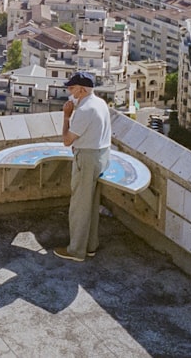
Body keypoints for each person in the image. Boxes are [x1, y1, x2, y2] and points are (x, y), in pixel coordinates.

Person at [54, 71, 112, 262]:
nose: (69, 92)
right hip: (101, 156)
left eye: (71, 88)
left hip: (86, 159)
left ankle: (76, 250)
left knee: (79, 206)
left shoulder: (85, 110)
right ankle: (90, 246)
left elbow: (67, 140)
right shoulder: (100, 103)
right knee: (92, 204)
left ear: (81, 89)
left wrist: (66, 116)